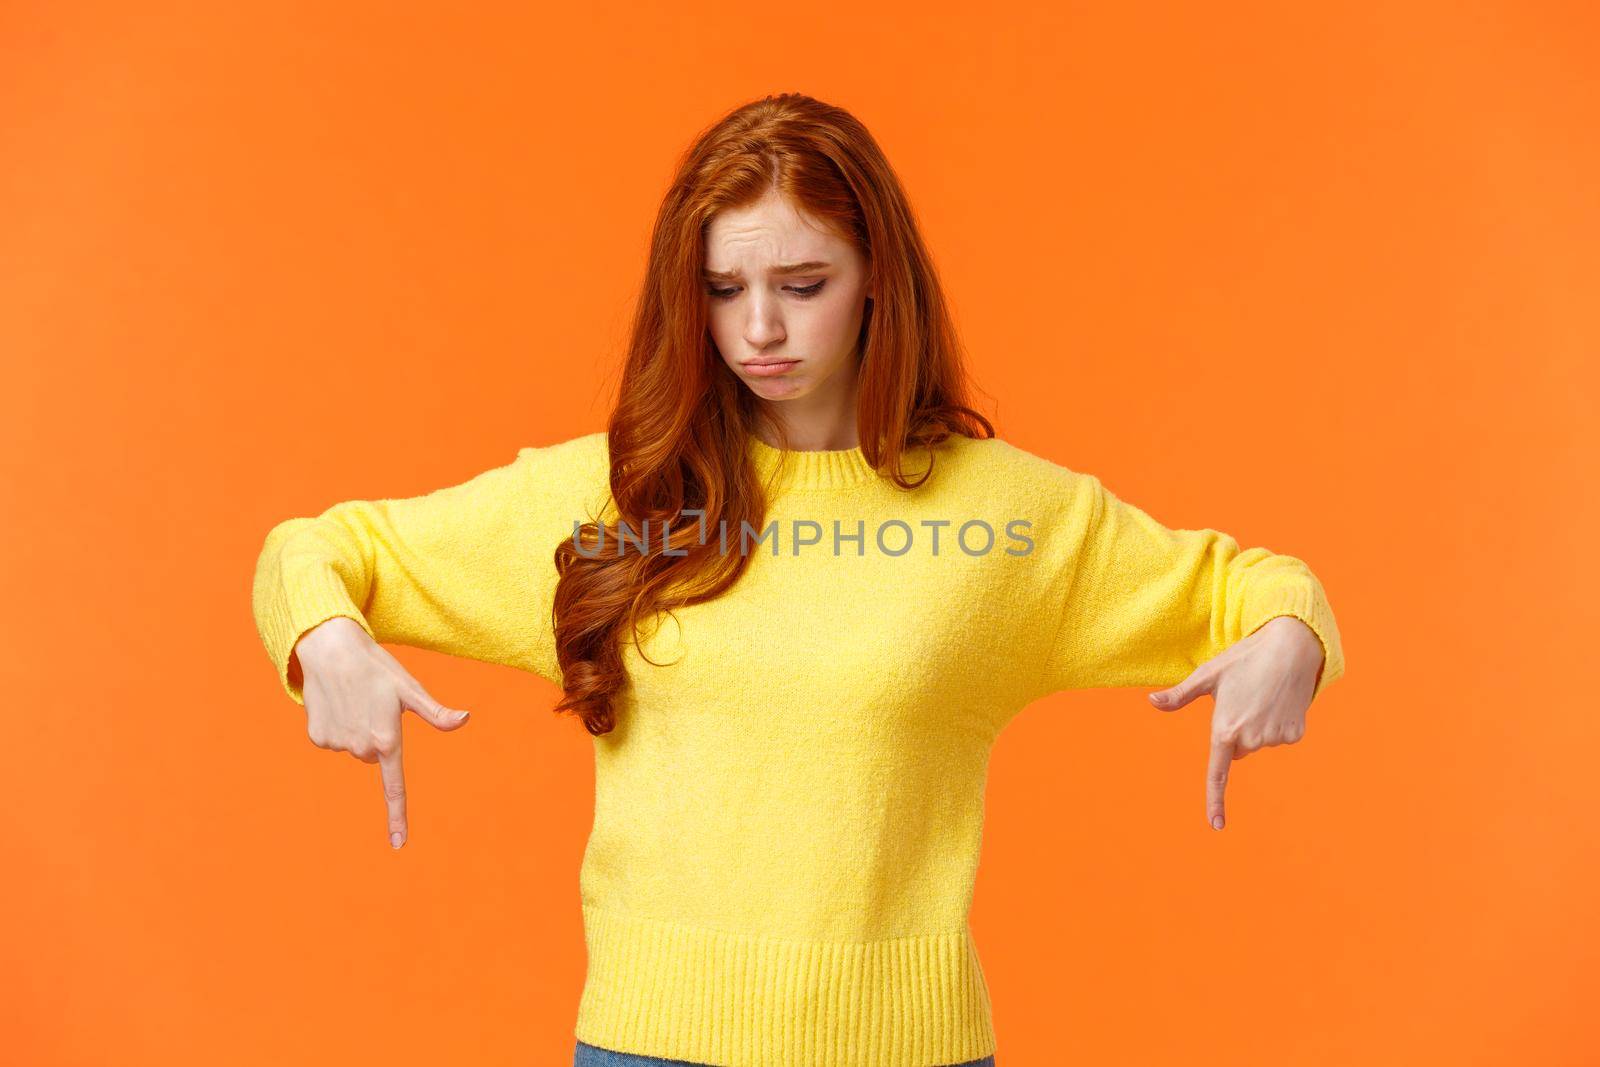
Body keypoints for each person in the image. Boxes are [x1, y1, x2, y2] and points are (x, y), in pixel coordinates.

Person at [250, 92, 1344, 1067]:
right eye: (724, 288)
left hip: (907, 1051)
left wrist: (1291, 636)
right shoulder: (609, 498)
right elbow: (317, 548)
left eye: (802, 283)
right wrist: (325, 638)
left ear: (876, 280)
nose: (758, 328)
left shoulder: (1006, 515)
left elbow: (1254, 585)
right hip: (647, 1044)